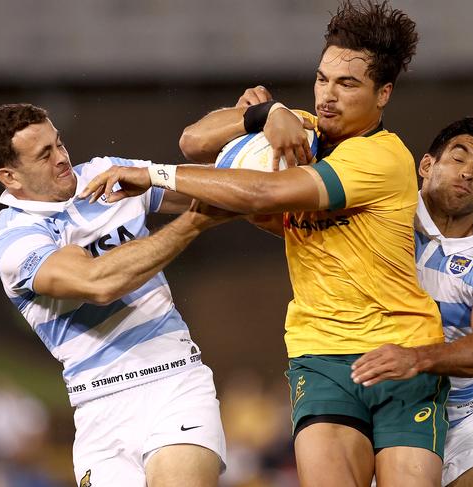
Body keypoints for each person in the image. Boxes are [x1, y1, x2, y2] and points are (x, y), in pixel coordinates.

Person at [79, 2, 449, 486]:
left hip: (402, 349)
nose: (327, 97)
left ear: (383, 94)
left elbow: (265, 191)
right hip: (319, 355)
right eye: (322, 80)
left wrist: (152, 173)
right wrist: (265, 111)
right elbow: (194, 139)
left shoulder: (382, 158)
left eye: (347, 84)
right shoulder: (306, 127)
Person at [0, 103, 229, 487]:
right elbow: (98, 284)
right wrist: (192, 224)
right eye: (45, 155)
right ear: (10, 176)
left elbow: (218, 188)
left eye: (59, 144)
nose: (62, 158)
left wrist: (258, 124)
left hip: (174, 381)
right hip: (97, 410)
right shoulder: (14, 240)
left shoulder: (104, 174)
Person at [350, 116, 473, 486]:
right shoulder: (381, 217)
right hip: (372, 406)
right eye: (458, 158)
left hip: (459, 417)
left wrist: (416, 358)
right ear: (426, 165)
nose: (467, 173)